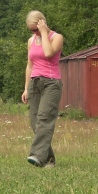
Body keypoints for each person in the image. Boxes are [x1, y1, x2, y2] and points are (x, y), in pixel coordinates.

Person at [21, 10, 63, 168]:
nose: (34, 33)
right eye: (31, 30)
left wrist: (44, 32)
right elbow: (29, 65)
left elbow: (48, 52)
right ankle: (48, 159)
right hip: (34, 83)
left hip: (51, 83)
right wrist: (26, 88)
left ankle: (37, 155)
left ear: (42, 23)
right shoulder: (31, 40)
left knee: (45, 119)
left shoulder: (56, 37)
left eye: (36, 29)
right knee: (35, 122)